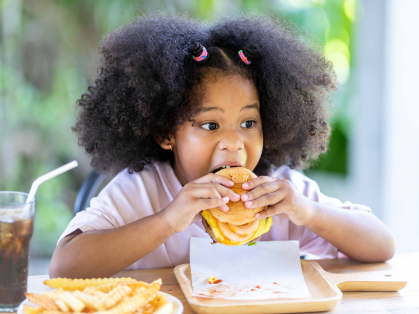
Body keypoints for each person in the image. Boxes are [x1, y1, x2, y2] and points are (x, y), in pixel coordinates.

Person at [49, 13, 395, 279]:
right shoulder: (141, 192)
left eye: (248, 123)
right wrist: (168, 220)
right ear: (166, 133)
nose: (233, 142)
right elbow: (64, 267)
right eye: (210, 125)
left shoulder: (279, 194)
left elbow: (382, 246)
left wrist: (307, 212)